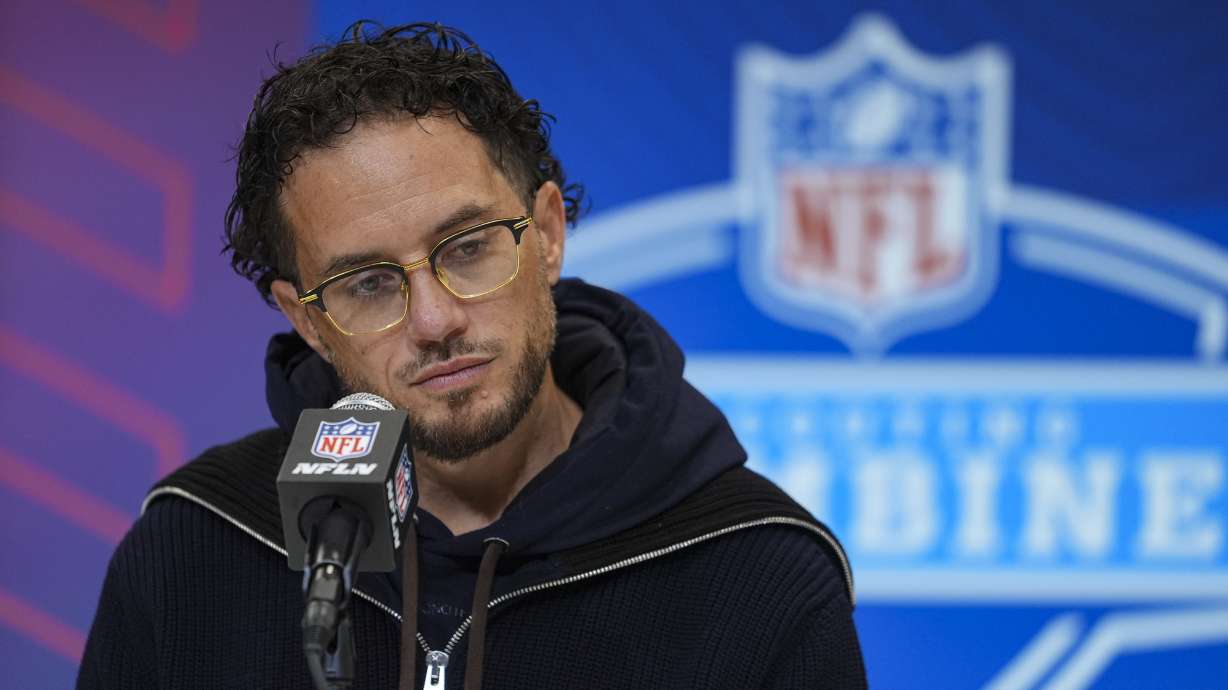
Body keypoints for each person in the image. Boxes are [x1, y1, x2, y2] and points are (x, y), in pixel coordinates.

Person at [78, 22, 865, 689]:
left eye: (469, 246)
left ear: (548, 234)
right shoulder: (198, 547)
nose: (435, 319)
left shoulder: (757, 574)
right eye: (368, 283)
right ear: (307, 321)